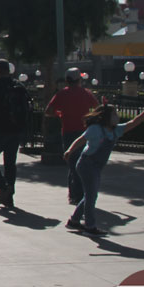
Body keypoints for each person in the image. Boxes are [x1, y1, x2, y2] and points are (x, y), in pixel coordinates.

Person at [65, 100, 144, 235]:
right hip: (86, 164)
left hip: (96, 166)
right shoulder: (95, 129)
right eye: (114, 114)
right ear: (107, 117)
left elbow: (134, 123)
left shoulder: (116, 130)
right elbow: (81, 140)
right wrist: (69, 151)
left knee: (90, 195)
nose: (117, 116)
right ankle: (89, 227)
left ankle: (74, 221)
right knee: (91, 195)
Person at [44, 68, 99, 204]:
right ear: (79, 80)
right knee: (82, 163)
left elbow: (48, 111)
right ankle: (79, 194)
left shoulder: (62, 94)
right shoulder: (86, 93)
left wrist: (60, 114)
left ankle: (73, 194)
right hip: (84, 133)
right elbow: (98, 109)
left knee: (72, 163)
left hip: (67, 132)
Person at [0, 59, 29, 208]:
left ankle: (3, 187)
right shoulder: (19, 86)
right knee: (10, 163)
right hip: (15, 130)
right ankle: (9, 195)